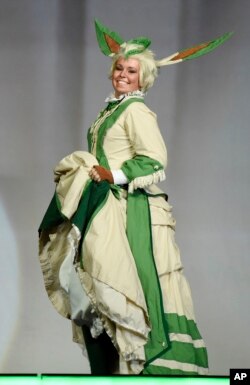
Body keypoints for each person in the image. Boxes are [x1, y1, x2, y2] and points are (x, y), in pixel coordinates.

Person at [39, 20, 232, 375]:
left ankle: (141, 370)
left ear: (143, 78)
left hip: (129, 212)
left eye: (131, 70)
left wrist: (114, 174)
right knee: (93, 290)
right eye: (119, 67)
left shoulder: (136, 110)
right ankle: (107, 374)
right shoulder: (112, 109)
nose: (123, 74)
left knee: (120, 289)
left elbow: (155, 160)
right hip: (103, 207)